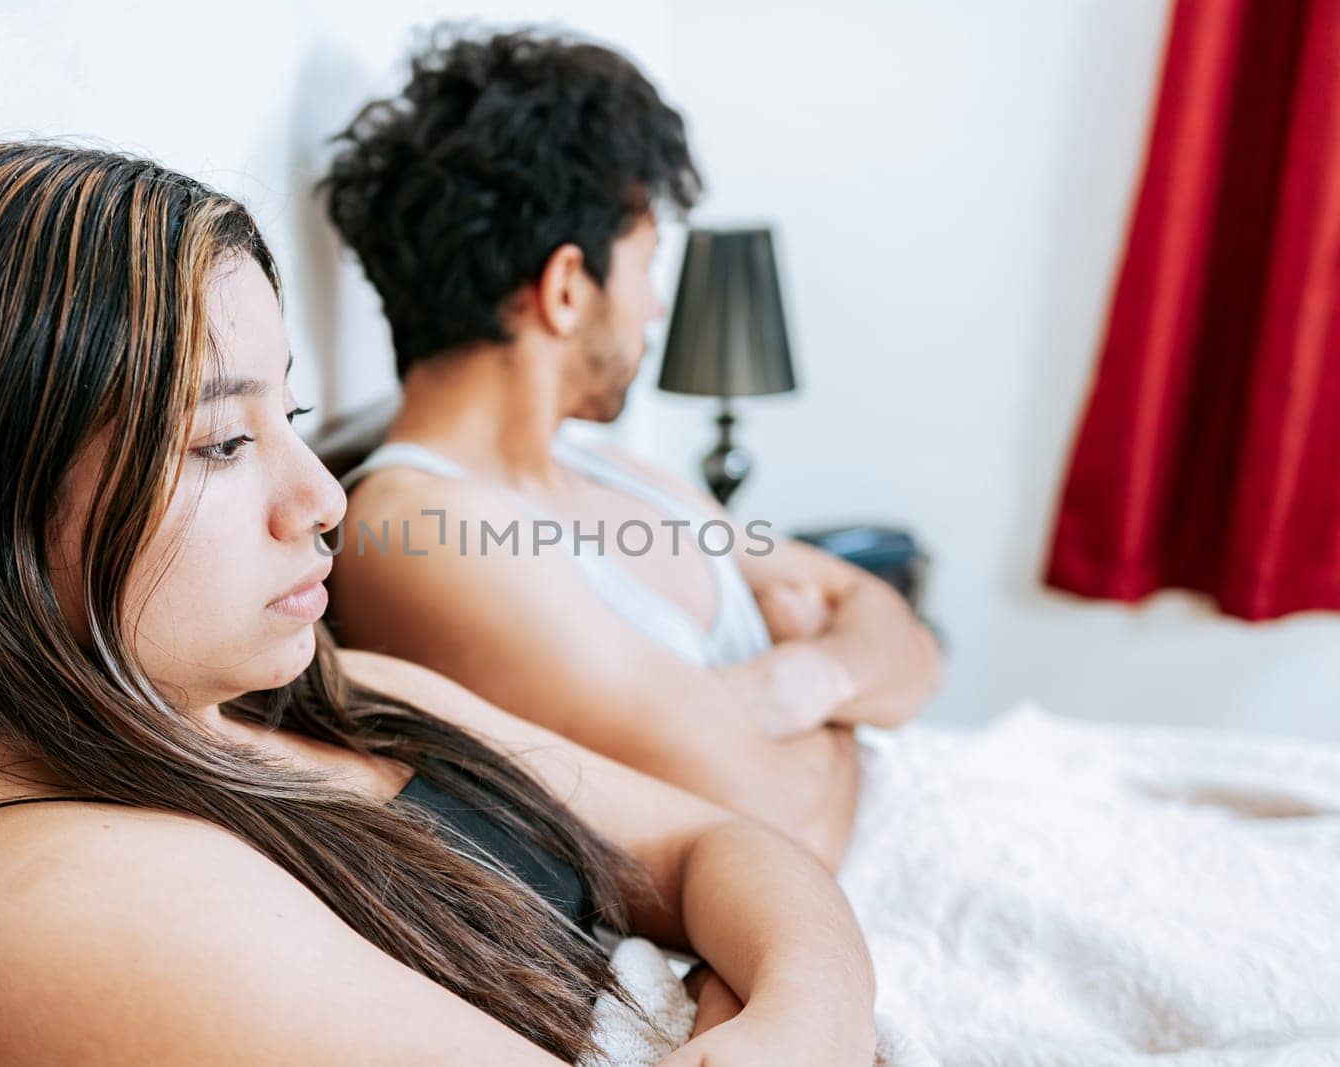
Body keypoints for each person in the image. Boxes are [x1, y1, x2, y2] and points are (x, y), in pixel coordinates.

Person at [0, 142, 876, 1064]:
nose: (320, 498)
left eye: (293, 413)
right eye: (222, 440)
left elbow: (719, 846)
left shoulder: (336, 694)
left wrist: (795, 1022)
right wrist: (760, 999)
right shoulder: (47, 899)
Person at [320, 30, 943, 870]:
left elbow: (906, 637)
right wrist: (839, 691)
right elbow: (779, 836)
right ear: (568, 287)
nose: (654, 310)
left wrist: (807, 681)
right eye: (649, 267)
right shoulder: (424, 530)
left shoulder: (617, 470)